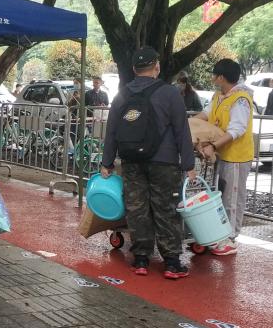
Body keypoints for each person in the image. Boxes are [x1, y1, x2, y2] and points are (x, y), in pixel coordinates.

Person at [100, 48, 196, 279]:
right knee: (166, 209)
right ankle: (171, 262)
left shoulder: (122, 95)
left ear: (134, 69)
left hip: (132, 160)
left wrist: (107, 162)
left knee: (137, 208)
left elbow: (111, 131)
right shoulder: (170, 93)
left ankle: (141, 259)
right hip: (164, 161)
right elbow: (182, 131)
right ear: (157, 67)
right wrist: (188, 164)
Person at [194, 58, 253, 256]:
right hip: (222, 154)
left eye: (214, 74)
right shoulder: (219, 96)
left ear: (221, 77)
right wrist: (187, 124)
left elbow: (237, 129)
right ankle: (220, 234)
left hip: (236, 157)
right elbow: (206, 114)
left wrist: (213, 146)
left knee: (232, 199)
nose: (212, 78)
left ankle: (231, 238)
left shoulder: (240, 99)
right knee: (220, 195)